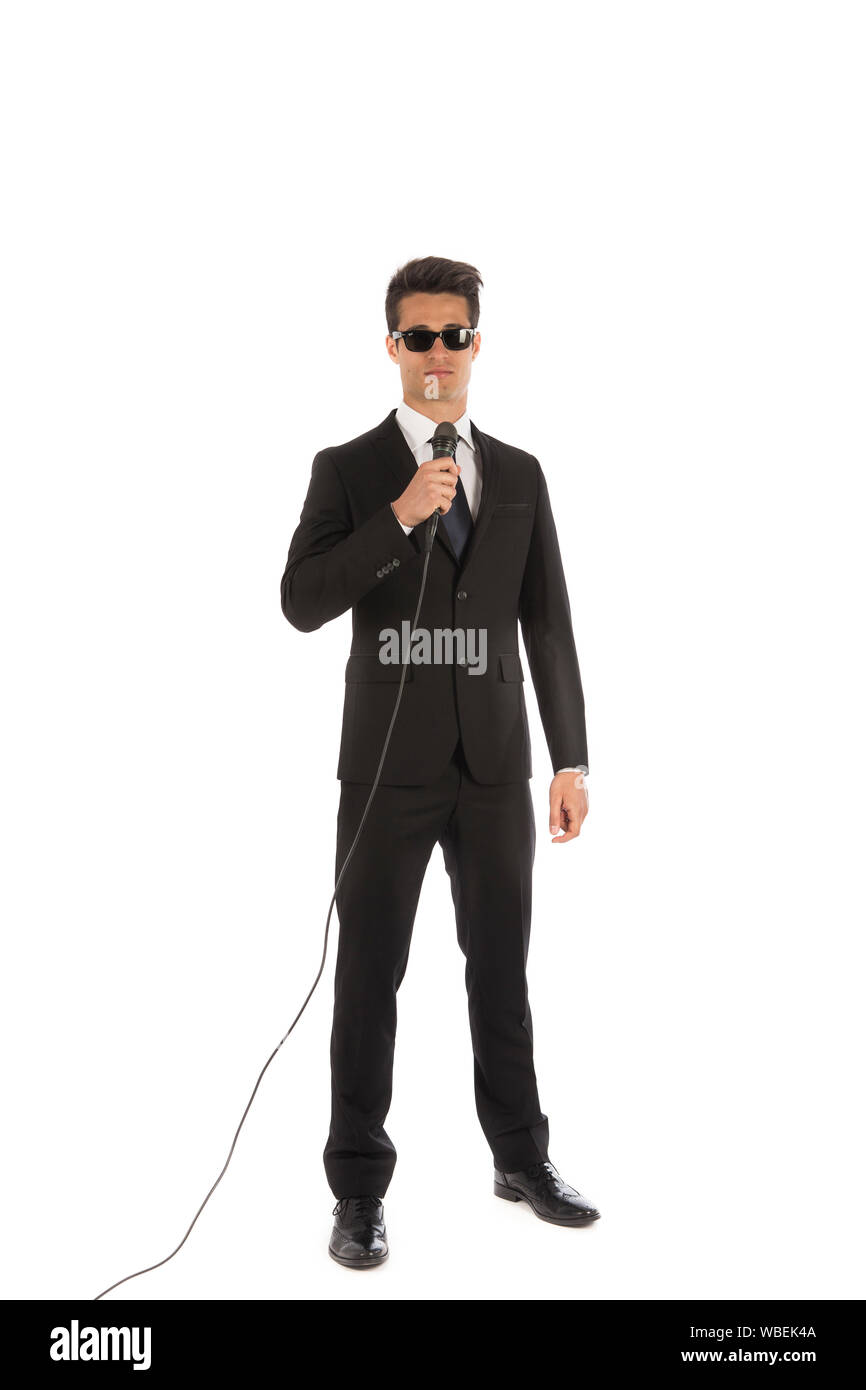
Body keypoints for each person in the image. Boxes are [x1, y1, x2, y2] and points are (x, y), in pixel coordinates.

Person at [280, 256, 600, 1269]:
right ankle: (358, 1190)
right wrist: (399, 518)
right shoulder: (348, 468)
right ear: (391, 346)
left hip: (494, 766)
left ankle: (521, 1155)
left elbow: (543, 622)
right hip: (385, 767)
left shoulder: (519, 473)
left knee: (500, 967)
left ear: (474, 343)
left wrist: (569, 759)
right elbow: (301, 599)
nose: (435, 356)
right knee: (369, 975)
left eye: (451, 335)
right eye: (416, 337)